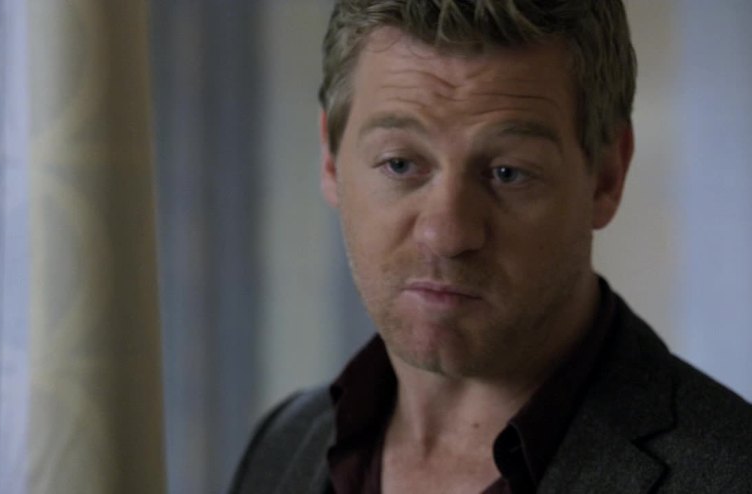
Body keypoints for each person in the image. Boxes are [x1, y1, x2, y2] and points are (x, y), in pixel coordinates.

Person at [229, 1, 752, 492]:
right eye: (400, 164)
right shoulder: (283, 446)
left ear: (607, 177)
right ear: (330, 159)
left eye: (508, 172)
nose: (447, 235)